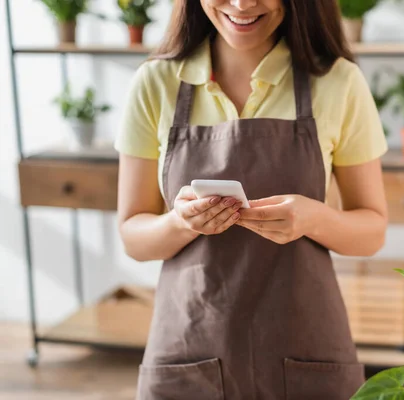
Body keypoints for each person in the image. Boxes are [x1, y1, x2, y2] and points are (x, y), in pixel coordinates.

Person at [115, 0, 389, 399]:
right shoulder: (156, 83)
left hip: (305, 350)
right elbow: (132, 236)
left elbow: (372, 232)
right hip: (190, 351)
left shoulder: (337, 82)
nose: (243, 5)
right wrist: (179, 222)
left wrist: (313, 219)